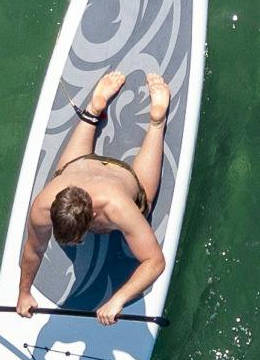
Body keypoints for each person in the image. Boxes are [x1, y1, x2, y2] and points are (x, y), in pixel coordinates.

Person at [15, 68, 171, 324]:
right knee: (62, 172)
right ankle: (93, 108)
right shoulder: (44, 206)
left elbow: (154, 261)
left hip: (122, 178)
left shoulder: (117, 208)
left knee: (145, 199)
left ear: (93, 217)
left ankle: (156, 120)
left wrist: (117, 299)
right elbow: (34, 250)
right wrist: (23, 293)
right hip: (78, 167)